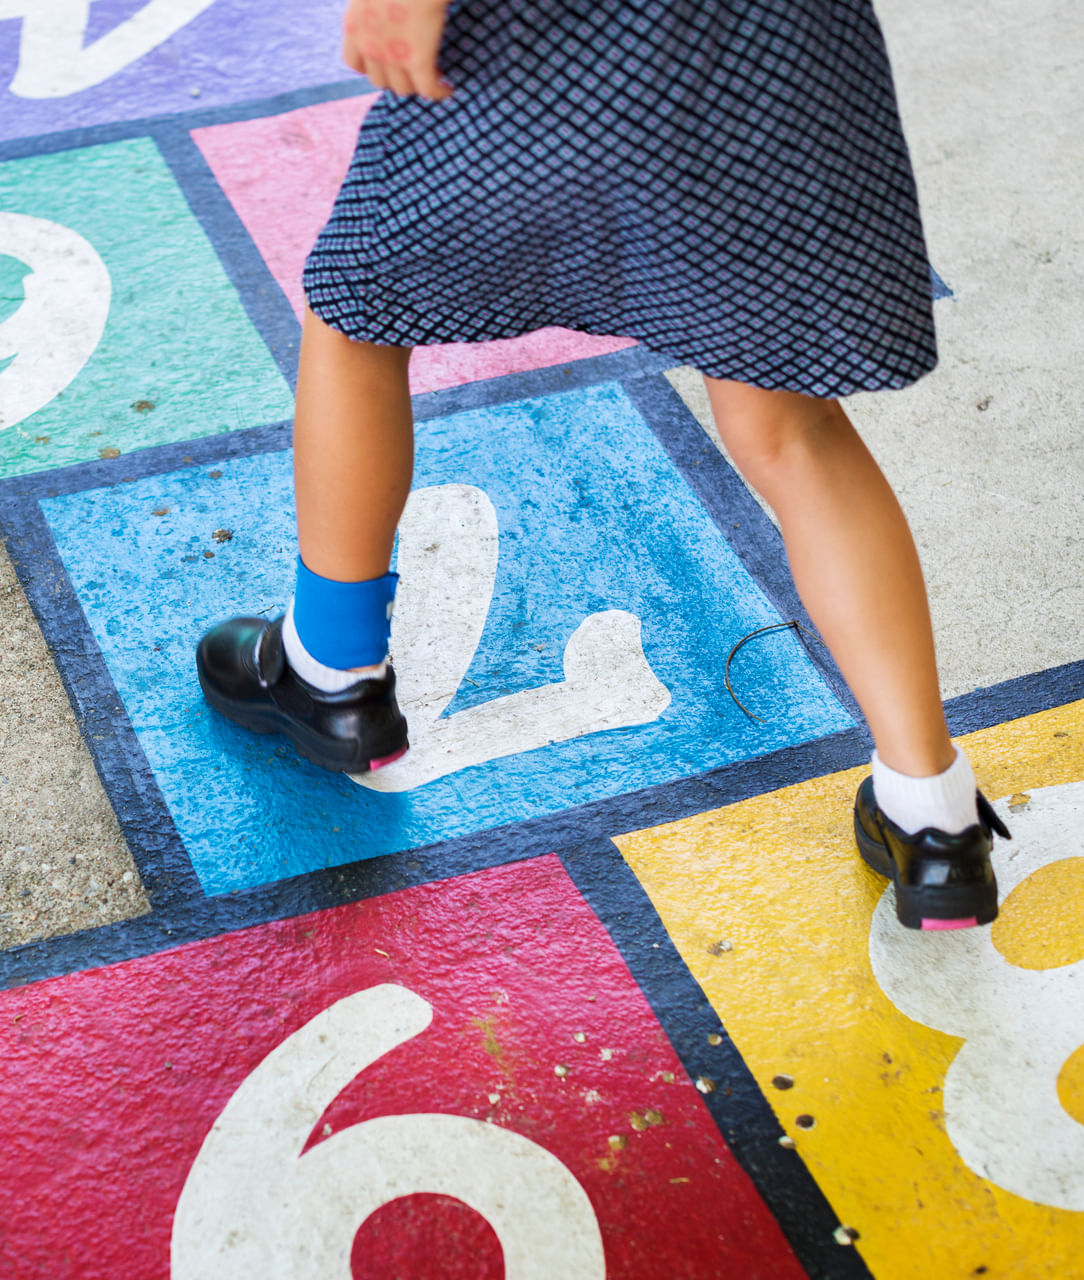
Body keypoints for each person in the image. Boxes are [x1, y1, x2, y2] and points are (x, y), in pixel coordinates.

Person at [195, 0, 1009, 929]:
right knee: (791, 429)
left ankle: (331, 675)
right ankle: (935, 820)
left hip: (565, 39)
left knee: (355, 317)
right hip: (780, 49)